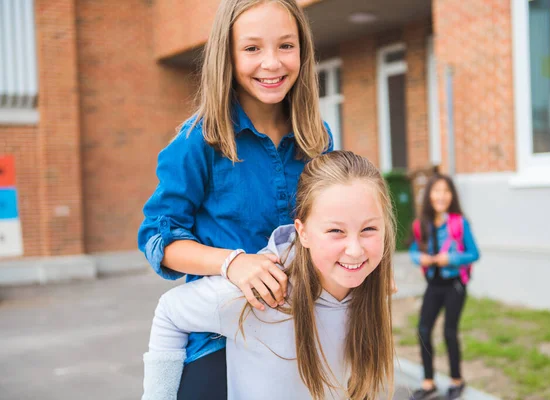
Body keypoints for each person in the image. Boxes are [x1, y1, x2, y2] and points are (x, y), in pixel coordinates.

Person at [137, 0, 332, 398]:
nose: (272, 63)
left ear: (303, 51)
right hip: (219, 341)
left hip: (301, 338)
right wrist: (233, 264)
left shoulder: (319, 138)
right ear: (227, 55)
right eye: (252, 48)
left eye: (286, 46)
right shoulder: (198, 141)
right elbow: (159, 240)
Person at [142, 151, 396, 400]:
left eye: (369, 229)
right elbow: (170, 311)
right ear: (302, 232)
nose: (354, 250)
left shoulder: (369, 288)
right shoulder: (263, 295)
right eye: (336, 231)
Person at [408, 174, 480, 400]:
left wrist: (451, 259)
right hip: (434, 285)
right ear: (429, 195)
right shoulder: (422, 224)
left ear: (452, 196)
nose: (441, 196)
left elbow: (474, 253)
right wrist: (420, 258)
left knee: (449, 332)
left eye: (446, 191)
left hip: (454, 285)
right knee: (423, 330)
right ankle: (428, 382)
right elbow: (412, 249)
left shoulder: (459, 223)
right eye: (436, 191)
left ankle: (456, 380)